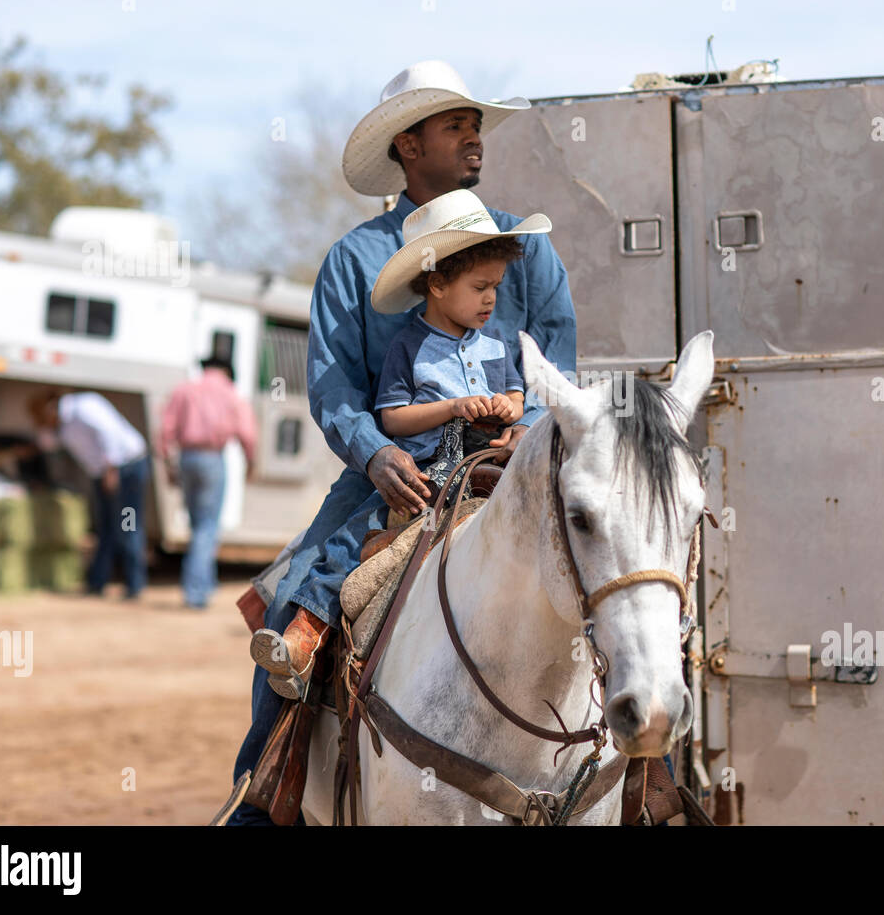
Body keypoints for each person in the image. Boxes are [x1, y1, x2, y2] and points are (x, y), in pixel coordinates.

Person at [227, 60, 576, 824]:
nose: (474, 135)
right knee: (294, 599)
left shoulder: (526, 248)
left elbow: (559, 366)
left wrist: (525, 427)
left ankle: (644, 776)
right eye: (455, 125)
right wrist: (378, 455)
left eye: (474, 123)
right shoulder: (355, 260)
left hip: (513, 465)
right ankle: (267, 788)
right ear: (409, 147)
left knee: (616, 584)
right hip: (392, 471)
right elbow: (334, 391)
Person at [250, 190, 543, 699]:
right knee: (349, 537)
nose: (491, 299)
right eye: (480, 287)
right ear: (437, 283)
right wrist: (453, 407)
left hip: (489, 465)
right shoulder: (408, 345)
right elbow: (392, 417)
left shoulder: (495, 345)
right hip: (424, 467)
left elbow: (518, 396)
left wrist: (508, 410)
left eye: (495, 286)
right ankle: (306, 631)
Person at [156, 354, 258, 609]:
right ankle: (195, 592)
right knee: (207, 526)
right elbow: (247, 433)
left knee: (197, 523)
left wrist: (168, 463)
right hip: (212, 459)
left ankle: (206, 581)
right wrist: (251, 462)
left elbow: (165, 429)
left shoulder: (184, 390)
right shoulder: (231, 393)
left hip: (187, 457)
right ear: (226, 370)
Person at [27, 389, 150, 599]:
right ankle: (97, 582)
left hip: (125, 467)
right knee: (105, 527)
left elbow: (109, 433)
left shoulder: (85, 407)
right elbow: (47, 443)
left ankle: (134, 584)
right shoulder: (61, 427)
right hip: (103, 472)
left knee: (127, 525)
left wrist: (112, 470)